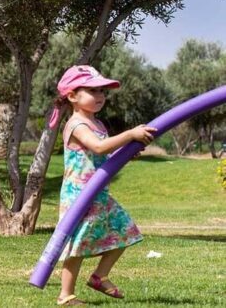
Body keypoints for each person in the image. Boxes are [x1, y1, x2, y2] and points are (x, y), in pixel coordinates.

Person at [50, 65, 156, 306]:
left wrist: (125, 153)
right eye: (93, 90)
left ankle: (99, 276)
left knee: (126, 230)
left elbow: (104, 155)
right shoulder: (76, 124)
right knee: (77, 244)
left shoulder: (98, 124)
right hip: (79, 196)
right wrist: (130, 135)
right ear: (72, 96)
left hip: (99, 194)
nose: (100, 96)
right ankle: (65, 295)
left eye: (103, 92)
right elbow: (97, 147)